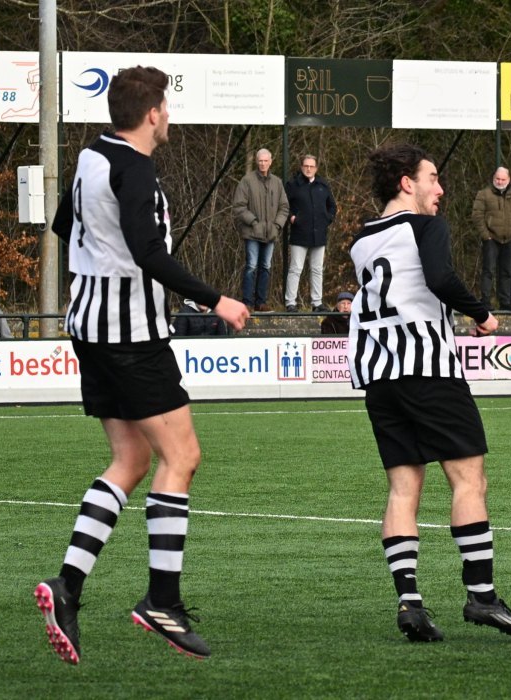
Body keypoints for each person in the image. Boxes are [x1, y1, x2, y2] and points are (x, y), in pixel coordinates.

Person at [36, 65, 250, 664]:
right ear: (153, 112)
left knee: (131, 459)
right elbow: (147, 253)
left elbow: (62, 225)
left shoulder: (89, 157)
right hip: (130, 333)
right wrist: (218, 299)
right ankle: (162, 600)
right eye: (167, 107)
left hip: (90, 326)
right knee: (182, 456)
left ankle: (68, 587)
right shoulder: (134, 167)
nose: (169, 116)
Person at [351, 143, 511, 642]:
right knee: (468, 480)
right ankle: (482, 595)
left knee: (403, 488)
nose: (440, 189)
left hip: (379, 376)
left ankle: (410, 602)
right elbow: (438, 276)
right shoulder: (425, 226)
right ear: (407, 183)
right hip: (427, 368)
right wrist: (482, 313)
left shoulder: (361, 240)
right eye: (433, 177)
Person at [233, 147, 288, 312]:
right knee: (251, 266)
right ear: (257, 162)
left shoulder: (277, 182)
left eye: (266, 161)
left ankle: (261, 302)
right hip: (252, 232)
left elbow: (284, 207)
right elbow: (239, 207)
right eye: (260, 161)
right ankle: (247, 303)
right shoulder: (247, 181)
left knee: (266, 267)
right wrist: (254, 222)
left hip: (271, 233)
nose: (263, 164)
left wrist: (277, 225)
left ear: (271, 162)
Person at [283, 154, 337, 312]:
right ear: (301, 167)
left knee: (317, 269)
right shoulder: (293, 185)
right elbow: (284, 205)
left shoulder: (323, 185)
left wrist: (327, 219)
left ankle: (317, 303)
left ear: (316, 168)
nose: (308, 169)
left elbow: (332, 206)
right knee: (295, 268)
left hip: (319, 234)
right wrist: (292, 218)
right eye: (306, 166)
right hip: (299, 234)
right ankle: (290, 302)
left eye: (311, 166)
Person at [470, 167, 511, 310]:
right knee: (488, 270)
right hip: (491, 239)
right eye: (497, 179)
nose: (500, 181)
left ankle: (504, 301)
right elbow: (477, 216)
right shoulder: (484, 194)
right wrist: (485, 236)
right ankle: (486, 301)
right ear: (493, 179)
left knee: (506, 272)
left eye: (503, 179)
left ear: (508, 180)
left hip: (510, 240)